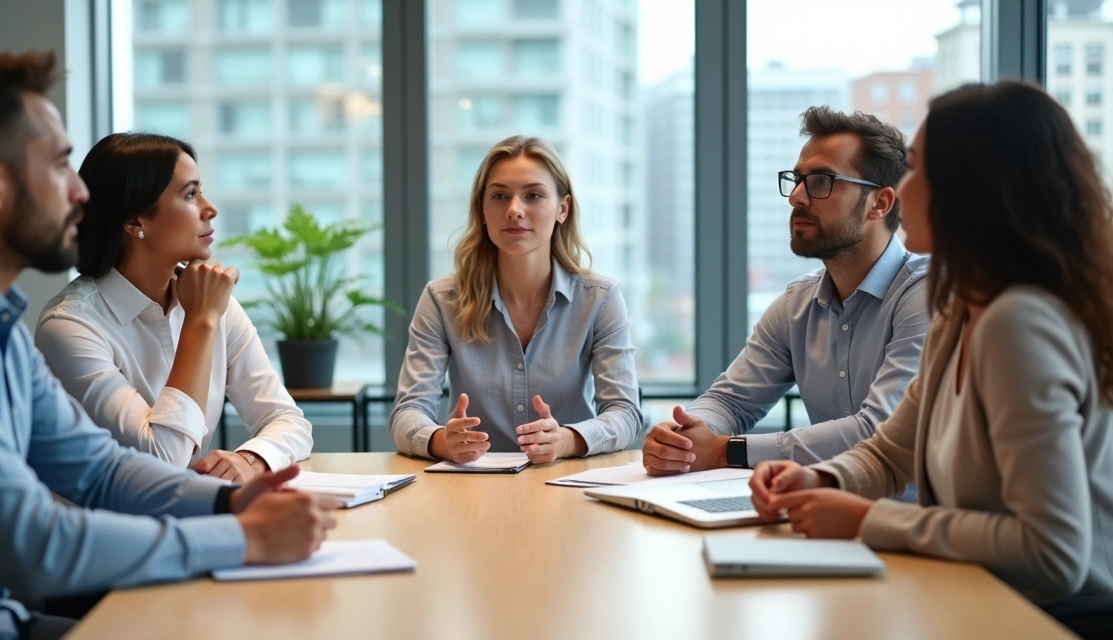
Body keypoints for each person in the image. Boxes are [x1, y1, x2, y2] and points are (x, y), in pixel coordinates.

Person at [0, 50, 336, 640]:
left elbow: (101, 470)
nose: (80, 192)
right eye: (59, 165)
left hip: (0, 618)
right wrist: (239, 536)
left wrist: (231, 503)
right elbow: (34, 543)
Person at [750, 81, 1113, 603]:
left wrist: (867, 519)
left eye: (917, 168)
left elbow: (1052, 553)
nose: (901, 188)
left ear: (972, 188)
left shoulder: (1018, 322)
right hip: (980, 598)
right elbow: (889, 454)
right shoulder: (960, 310)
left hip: (1056, 621)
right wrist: (822, 481)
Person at [643, 107, 929, 476]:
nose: (796, 197)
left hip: (907, 512)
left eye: (821, 181)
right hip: (819, 505)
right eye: (797, 179)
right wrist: (682, 438)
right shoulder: (797, 305)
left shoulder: (924, 296)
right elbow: (730, 401)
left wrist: (725, 451)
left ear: (880, 203)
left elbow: (879, 430)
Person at [35, 133, 313, 483]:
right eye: (191, 194)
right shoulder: (69, 327)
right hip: (103, 517)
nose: (210, 209)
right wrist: (201, 320)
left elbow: (289, 421)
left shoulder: (213, 303)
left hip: (193, 510)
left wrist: (251, 459)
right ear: (136, 221)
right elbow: (162, 461)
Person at [390, 135, 642, 464]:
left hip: (565, 480)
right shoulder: (441, 299)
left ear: (562, 209)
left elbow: (625, 412)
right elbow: (407, 413)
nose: (514, 210)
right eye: (499, 196)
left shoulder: (601, 299)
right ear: (482, 210)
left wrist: (567, 440)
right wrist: (441, 442)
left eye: (533, 195)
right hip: (471, 484)